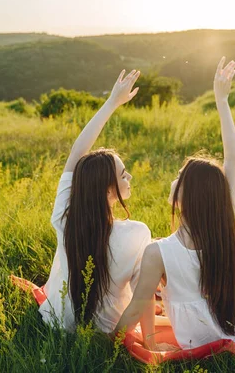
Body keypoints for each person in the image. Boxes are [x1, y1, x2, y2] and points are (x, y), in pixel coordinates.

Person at [113, 57, 235, 354]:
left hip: (200, 336)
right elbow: (232, 158)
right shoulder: (223, 220)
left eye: (178, 177)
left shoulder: (157, 253)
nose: (173, 180)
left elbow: (136, 309)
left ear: (186, 197)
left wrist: (104, 343)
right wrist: (222, 100)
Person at [39, 69, 156, 345]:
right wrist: (150, 342)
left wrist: (112, 102)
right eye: (123, 174)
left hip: (56, 322)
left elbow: (76, 154)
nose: (129, 178)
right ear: (107, 189)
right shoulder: (137, 233)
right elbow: (144, 295)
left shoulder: (65, 217)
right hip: (108, 329)